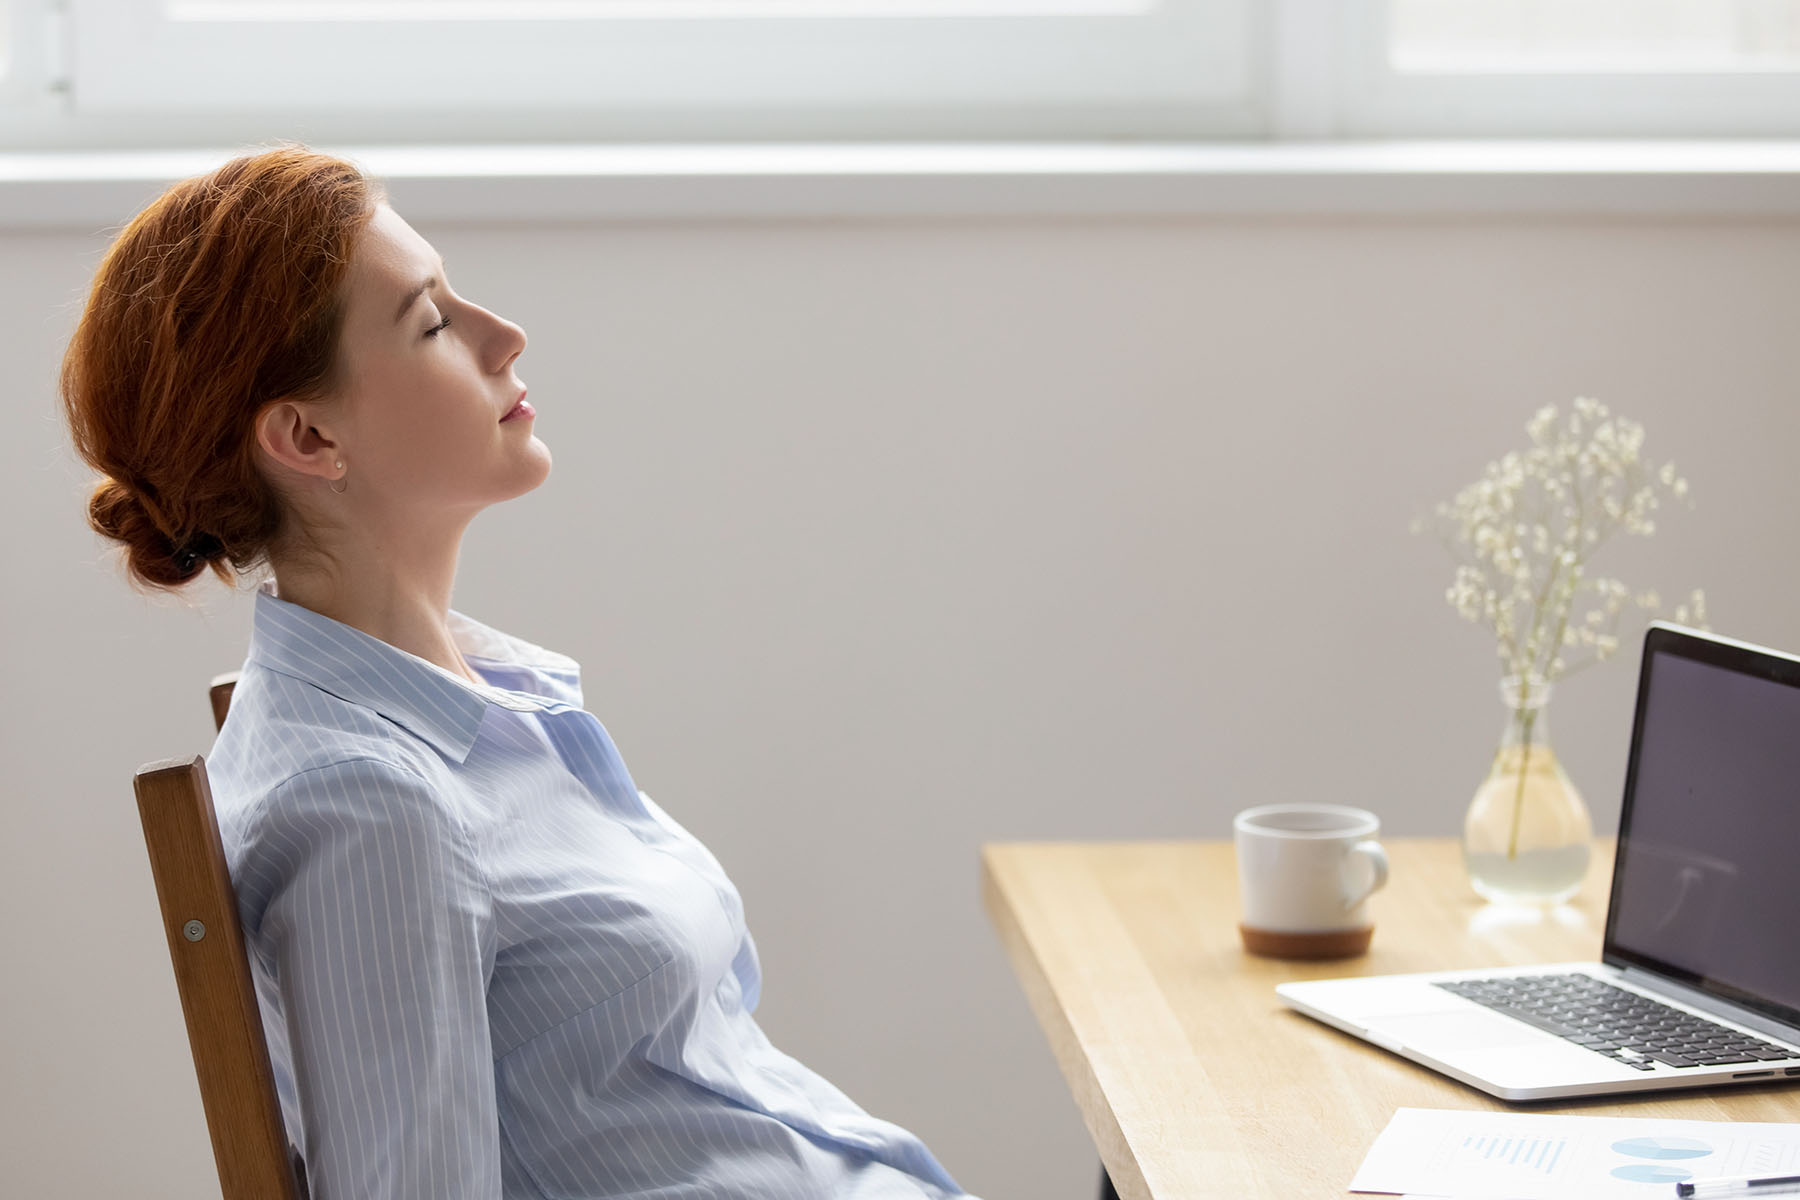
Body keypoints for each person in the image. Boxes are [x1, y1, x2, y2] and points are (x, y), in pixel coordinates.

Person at [61, 145, 976, 1200]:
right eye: (434, 322)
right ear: (308, 436)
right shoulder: (376, 804)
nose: (504, 336)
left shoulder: (480, 705)